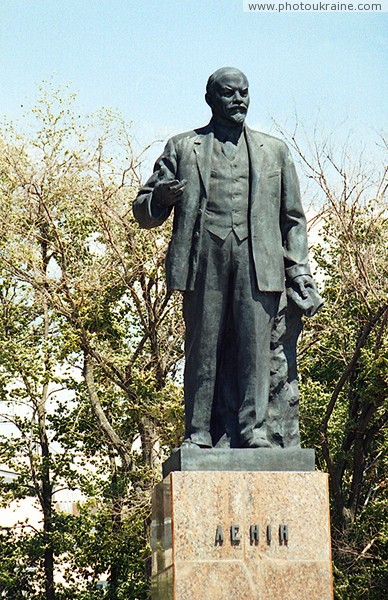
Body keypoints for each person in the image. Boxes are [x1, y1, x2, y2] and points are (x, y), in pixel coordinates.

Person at [133, 67, 316, 449]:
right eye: (229, 93)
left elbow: (293, 218)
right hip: (204, 259)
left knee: (256, 350)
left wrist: (299, 272)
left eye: (244, 92)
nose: (239, 100)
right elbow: (143, 211)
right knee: (203, 347)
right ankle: (198, 432)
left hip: (259, 261)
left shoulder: (275, 151)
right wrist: (162, 198)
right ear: (210, 99)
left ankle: (255, 430)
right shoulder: (183, 147)